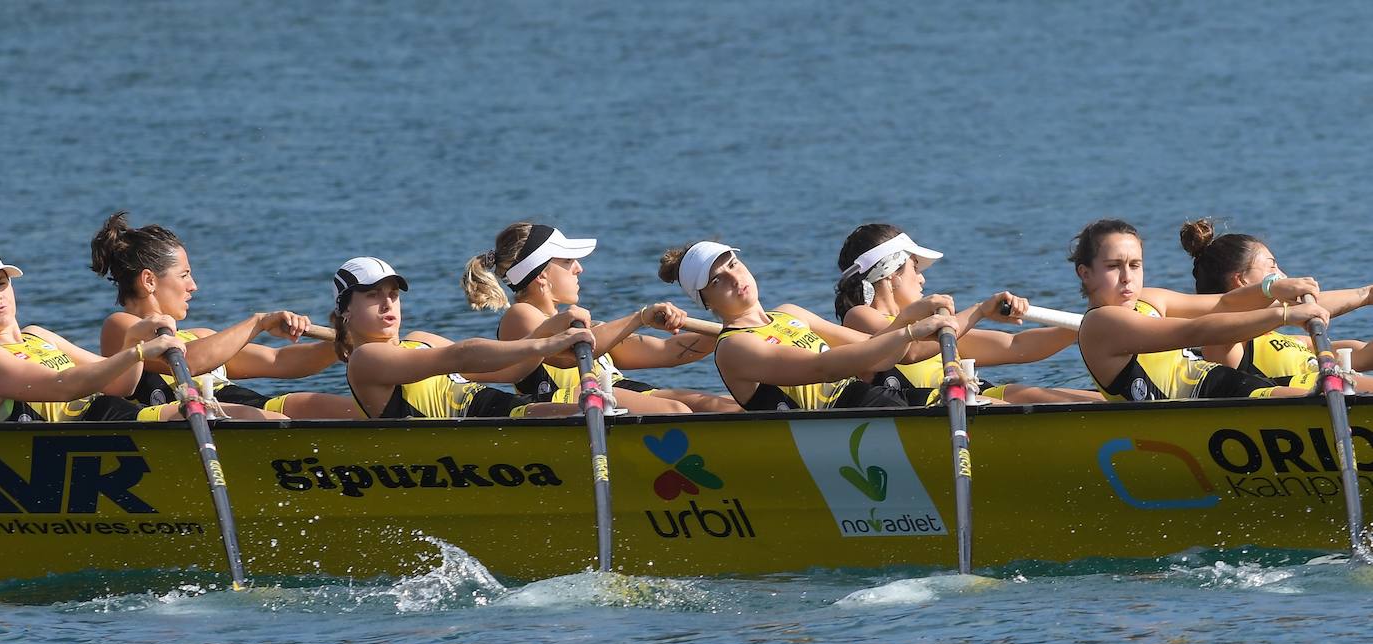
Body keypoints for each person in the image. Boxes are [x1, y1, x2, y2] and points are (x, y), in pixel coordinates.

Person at [91, 212, 358, 419]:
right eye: (184, 275)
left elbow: (279, 361)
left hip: (246, 405)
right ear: (149, 280)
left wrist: (342, 343)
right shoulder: (122, 326)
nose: (193, 285)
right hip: (197, 420)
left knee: (351, 411)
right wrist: (258, 323)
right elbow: (191, 361)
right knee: (274, 420)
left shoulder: (200, 336)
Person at [461, 222, 739, 413]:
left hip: (617, 393)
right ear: (542, 273)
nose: (579, 269)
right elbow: (563, 354)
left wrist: (734, 328)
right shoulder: (520, 314)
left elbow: (671, 351)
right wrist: (640, 317)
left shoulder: (585, 325)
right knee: (676, 410)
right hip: (569, 405)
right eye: (569, 261)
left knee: (724, 405)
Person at [658, 240, 960, 411]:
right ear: (706, 301)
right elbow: (822, 367)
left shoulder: (790, 313)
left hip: (877, 402)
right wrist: (907, 330)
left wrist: (908, 317)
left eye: (733, 265)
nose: (735, 279)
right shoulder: (734, 348)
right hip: (844, 425)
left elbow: (879, 356)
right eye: (717, 280)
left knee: (982, 404)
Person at [834, 223, 1100, 404]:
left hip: (973, 395)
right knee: (1021, 397)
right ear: (890, 275)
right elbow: (909, 352)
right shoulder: (858, 317)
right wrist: (980, 310)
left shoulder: (932, 326)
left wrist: (1090, 323)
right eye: (915, 268)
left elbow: (1016, 346)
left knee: (1053, 395)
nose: (923, 280)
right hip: (936, 408)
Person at [1070, 218, 1328, 401]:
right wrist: (1282, 315)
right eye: (1114, 266)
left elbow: (1223, 303)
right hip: (1205, 406)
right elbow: (1194, 331)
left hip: (1225, 386)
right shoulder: (1101, 323)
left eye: (1135, 265)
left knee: (1339, 392)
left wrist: (1270, 289)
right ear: (1086, 274)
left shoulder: (1149, 299)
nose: (1127, 277)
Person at [332, 256, 592, 419]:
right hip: (477, 439)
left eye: (393, 294)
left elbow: (513, 370)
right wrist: (547, 343)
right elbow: (461, 356)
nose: (387, 304)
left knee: (596, 411)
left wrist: (548, 329)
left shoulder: (421, 340)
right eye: (372, 295)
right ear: (345, 310)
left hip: (507, 414)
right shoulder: (365, 359)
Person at [1184, 217, 1373, 389]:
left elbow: (1364, 355)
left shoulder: (1297, 342)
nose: (1283, 276)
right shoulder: (1222, 341)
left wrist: (1368, 294)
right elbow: (1228, 310)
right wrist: (1364, 295)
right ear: (1242, 280)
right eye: (1272, 266)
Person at [0, 257, 188, 422]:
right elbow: (62, 386)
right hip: (87, 430)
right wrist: (137, 353)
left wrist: (133, 340)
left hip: (110, 417)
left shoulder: (37, 334)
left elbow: (120, 385)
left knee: (210, 409)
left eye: (0, 284)